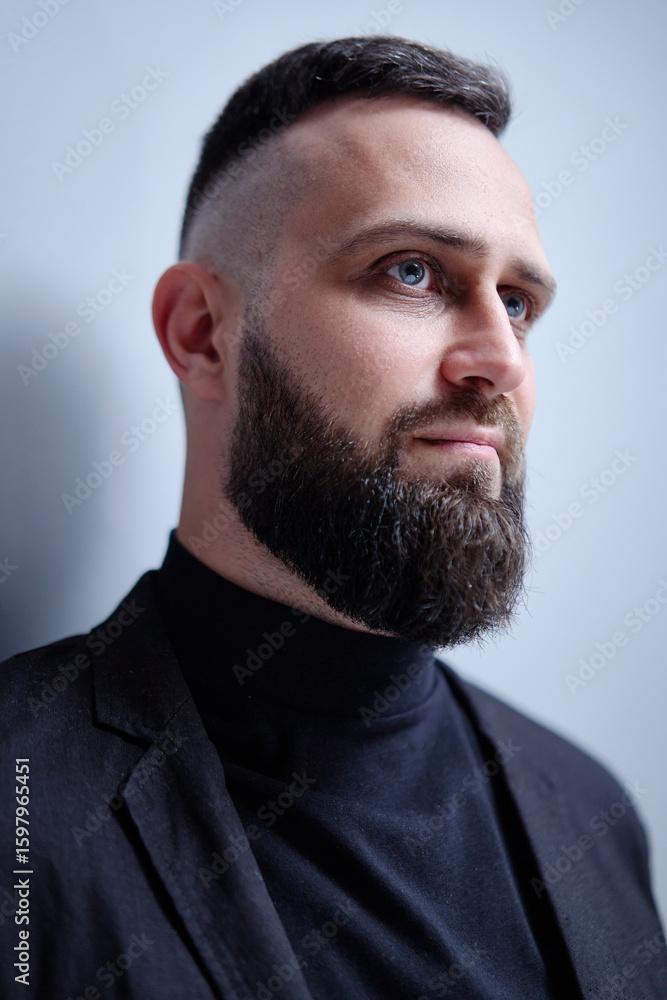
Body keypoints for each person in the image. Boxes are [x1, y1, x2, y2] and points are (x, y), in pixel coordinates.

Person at [1, 35, 664, 1000]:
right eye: (412, 272)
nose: (500, 359)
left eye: (517, 302)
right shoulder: (18, 797)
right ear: (204, 336)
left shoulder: (595, 813)